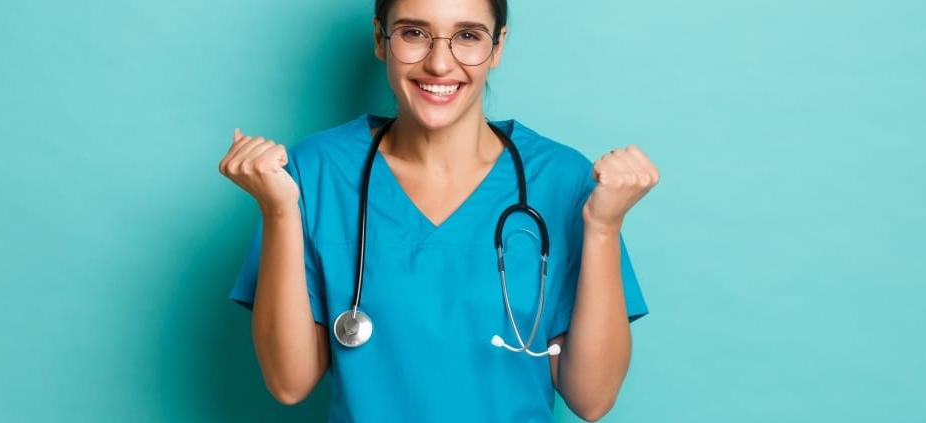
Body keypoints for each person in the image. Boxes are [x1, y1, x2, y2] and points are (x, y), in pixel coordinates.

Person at [219, 0, 660, 421]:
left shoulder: (561, 179)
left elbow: (593, 399)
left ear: (498, 47)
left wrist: (603, 228)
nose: (439, 64)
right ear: (380, 38)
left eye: (467, 35)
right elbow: (288, 383)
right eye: (414, 33)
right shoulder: (317, 171)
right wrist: (278, 211)